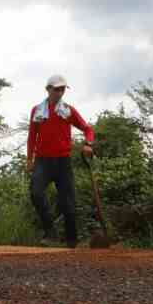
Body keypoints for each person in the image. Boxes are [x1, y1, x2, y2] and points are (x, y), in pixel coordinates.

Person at [26, 75, 95, 248]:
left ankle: (72, 241)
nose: (60, 92)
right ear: (48, 89)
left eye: (62, 89)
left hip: (63, 161)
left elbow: (88, 129)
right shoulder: (37, 111)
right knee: (36, 193)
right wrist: (29, 159)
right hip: (42, 161)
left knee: (68, 202)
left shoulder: (68, 110)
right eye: (56, 89)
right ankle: (51, 233)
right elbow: (32, 137)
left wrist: (88, 143)